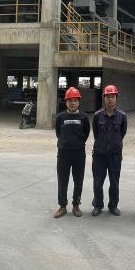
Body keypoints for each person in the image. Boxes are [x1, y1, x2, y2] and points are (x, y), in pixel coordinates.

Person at [91, 84, 127, 216]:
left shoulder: (122, 116)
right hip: (99, 155)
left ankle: (113, 206)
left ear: (116, 98)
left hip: (115, 155)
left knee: (114, 182)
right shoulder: (97, 115)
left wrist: (113, 145)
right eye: (108, 96)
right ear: (104, 98)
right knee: (98, 182)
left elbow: (122, 133)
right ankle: (98, 205)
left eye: (112, 96)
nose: (110, 99)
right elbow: (96, 133)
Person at [53, 87, 89, 218]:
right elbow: (58, 133)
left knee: (78, 180)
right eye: (70, 100)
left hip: (79, 153)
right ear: (66, 102)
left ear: (78, 102)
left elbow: (86, 133)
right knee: (62, 180)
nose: (72, 103)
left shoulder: (84, 117)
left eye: (75, 100)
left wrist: (77, 143)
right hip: (63, 153)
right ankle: (62, 206)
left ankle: (76, 205)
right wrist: (66, 143)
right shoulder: (60, 117)